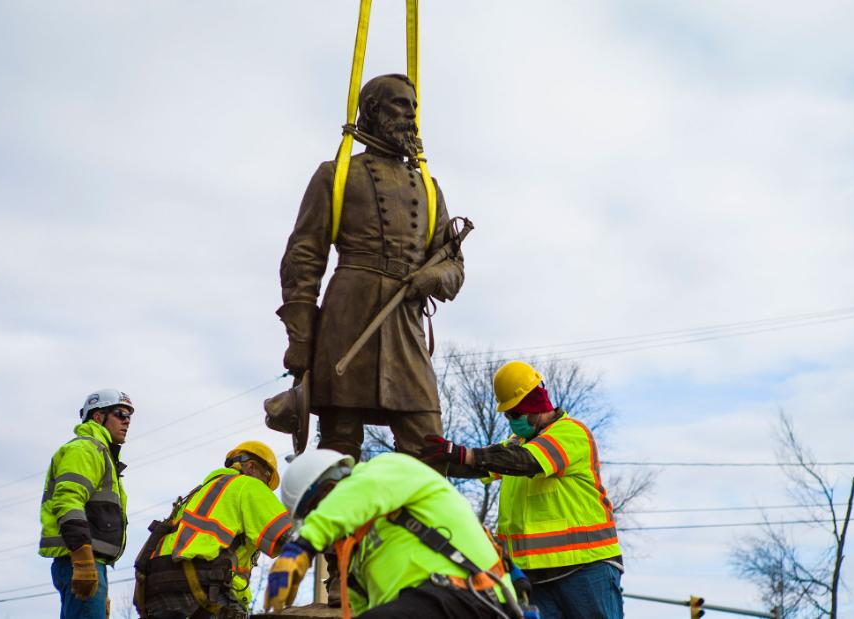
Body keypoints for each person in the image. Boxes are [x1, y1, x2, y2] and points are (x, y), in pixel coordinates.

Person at [275, 73, 465, 463]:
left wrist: (432, 277)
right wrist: (300, 339)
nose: (411, 114)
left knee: (428, 444)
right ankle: (336, 523)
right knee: (338, 448)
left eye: (414, 106)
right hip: (347, 318)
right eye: (400, 104)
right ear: (373, 110)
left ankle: (420, 525)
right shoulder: (337, 174)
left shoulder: (429, 188)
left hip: (405, 320)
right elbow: (303, 258)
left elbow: (454, 265)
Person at [423, 361, 625, 619]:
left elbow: (526, 461)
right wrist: (440, 460)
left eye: (514, 415)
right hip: (535, 576)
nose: (511, 422)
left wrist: (467, 454)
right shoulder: (516, 444)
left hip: (585, 568)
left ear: (534, 407)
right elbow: (483, 466)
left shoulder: (570, 433)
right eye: (507, 416)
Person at [263, 450, 522, 618]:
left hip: (470, 597)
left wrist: (302, 547)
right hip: (435, 605)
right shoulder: (358, 558)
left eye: (315, 510)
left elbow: (356, 494)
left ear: (332, 486)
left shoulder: (385, 470)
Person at [133, 441, 292, 619]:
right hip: (202, 586)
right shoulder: (248, 485)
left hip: (155, 589)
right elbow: (288, 536)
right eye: (267, 477)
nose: (267, 487)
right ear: (251, 467)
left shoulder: (198, 494)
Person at [40, 388, 134, 619]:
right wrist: (83, 561)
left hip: (90, 563)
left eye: (130, 416)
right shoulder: (85, 449)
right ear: (98, 417)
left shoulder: (102, 455)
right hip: (80, 559)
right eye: (121, 414)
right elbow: (68, 500)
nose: (127, 421)